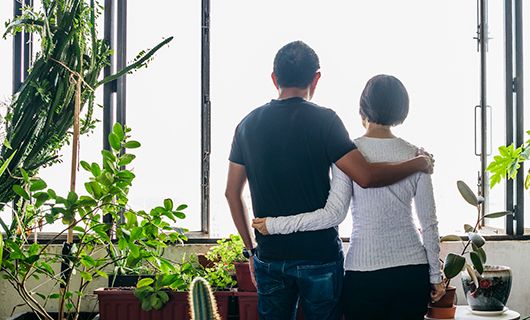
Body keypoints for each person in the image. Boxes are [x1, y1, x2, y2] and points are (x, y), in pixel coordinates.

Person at [225, 42, 433, 320]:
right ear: (316, 78)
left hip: (271, 255)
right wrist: (418, 163)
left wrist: (250, 250)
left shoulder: (246, 125)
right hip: (319, 256)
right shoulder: (326, 121)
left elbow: (231, 193)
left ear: (274, 78)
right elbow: (366, 176)